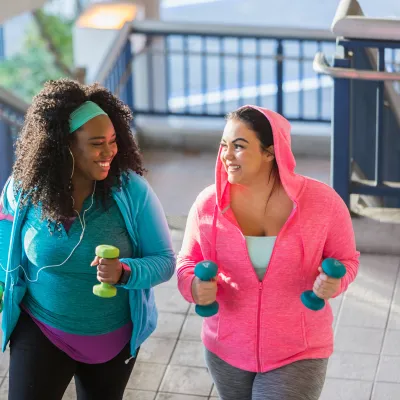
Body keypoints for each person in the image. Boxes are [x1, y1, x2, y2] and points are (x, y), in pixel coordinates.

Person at [0, 78, 175, 400]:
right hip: (41, 328)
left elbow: (165, 262)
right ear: (63, 145)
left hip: (112, 338)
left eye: (113, 140)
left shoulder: (131, 191)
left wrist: (125, 271)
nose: (109, 151)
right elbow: (4, 249)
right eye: (97, 143)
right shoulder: (22, 190)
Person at [177, 105, 360, 400]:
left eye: (239, 146)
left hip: (299, 350)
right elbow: (187, 262)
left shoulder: (323, 203)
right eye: (224, 146)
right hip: (225, 349)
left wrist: (336, 282)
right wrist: (193, 287)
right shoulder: (207, 204)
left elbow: (348, 260)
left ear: (270, 152)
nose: (226, 155)